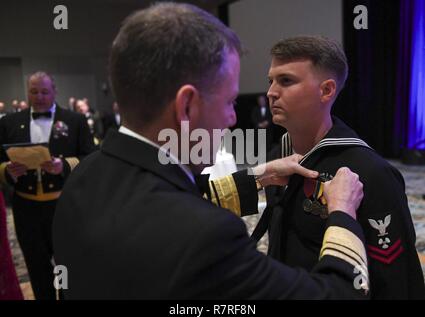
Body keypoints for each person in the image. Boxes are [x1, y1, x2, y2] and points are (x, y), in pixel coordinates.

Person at [53, 3, 369, 299]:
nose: (232, 119)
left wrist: (258, 176)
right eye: (229, 102)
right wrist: (342, 213)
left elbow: (171, 195)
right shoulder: (205, 236)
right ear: (187, 105)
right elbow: (338, 294)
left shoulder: (85, 175)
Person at [248, 36, 424, 299]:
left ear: (327, 91)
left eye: (286, 81)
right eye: (270, 81)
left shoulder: (368, 172)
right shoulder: (279, 157)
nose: (272, 92)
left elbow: (395, 278)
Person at [0, 71, 95, 300]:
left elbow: (91, 158)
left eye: (44, 91)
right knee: (36, 265)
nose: (39, 96)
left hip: (64, 207)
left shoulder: (75, 120)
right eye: (34, 91)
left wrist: (64, 165)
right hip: (27, 208)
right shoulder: (9, 123)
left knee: (66, 265)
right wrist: (7, 170)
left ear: (54, 92)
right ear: (27, 92)